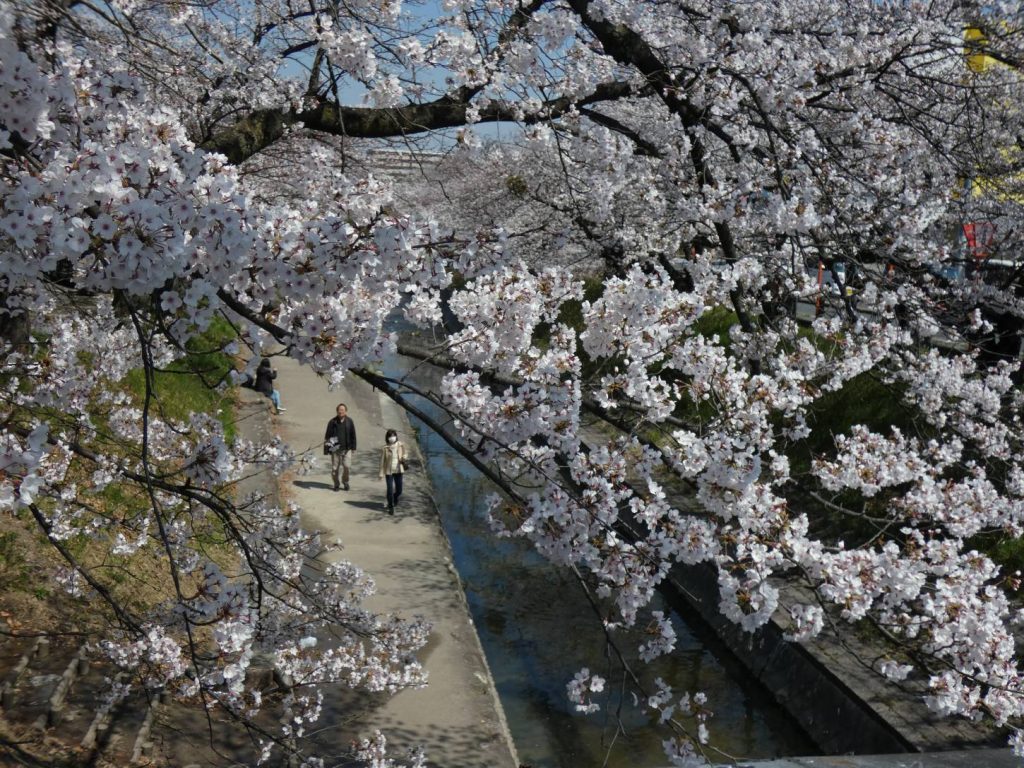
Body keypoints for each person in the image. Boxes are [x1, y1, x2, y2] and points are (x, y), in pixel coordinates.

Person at [324, 403, 357, 491]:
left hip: (347, 448)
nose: (340, 411)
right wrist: (327, 449)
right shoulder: (332, 422)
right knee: (335, 469)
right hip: (335, 449)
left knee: (347, 466)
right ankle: (336, 484)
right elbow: (327, 436)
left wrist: (353, 447)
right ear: (337, 411)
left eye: (342, 410)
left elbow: (353, 435)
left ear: (346, 411)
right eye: (339, 410)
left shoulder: (349, 421)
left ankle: (345, 482)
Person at [378, 428, 406, 514]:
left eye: (394, 436)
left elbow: (405, 453)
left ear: (396, 436)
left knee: (399, 490)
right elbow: (382, 461)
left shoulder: (400, 445)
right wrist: (381, 473)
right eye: (390, 436)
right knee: (390, 489)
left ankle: (395, 497)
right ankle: (391, 506)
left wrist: (404, 457)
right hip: (389, 471)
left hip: (398, 470)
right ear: (387, 438)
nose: (392, 438)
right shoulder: (385, 448)